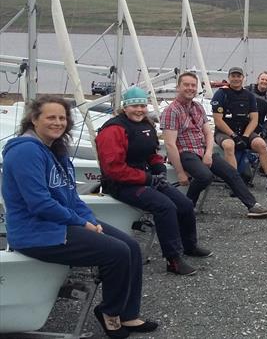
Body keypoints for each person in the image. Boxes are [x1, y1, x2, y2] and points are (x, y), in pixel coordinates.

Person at [2, 95, 158, 337]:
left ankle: (128, 315)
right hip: (37, 232)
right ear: (34, 119)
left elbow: (72, 198)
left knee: (130, 246)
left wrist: (91, 221)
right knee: (117, 252)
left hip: (60, 224)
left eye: (62, 118)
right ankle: (110, 312)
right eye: (50, 117)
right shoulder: (24, 152)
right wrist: (81, 223)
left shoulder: (56, 150)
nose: (58, 122)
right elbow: (39, 204)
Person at [96, 87, 211, 277]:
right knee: (165, 207)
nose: (139, 110)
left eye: (142, 105)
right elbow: (113, 169)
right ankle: (173, 259)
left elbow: (151, 153)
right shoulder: (114, 130)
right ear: (124, 107)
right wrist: (147, 178)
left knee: (184, 204)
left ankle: (190, 246)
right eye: (134, 106)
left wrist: (158, 167)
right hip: (121, 184)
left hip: (145, 179)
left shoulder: (146, 125)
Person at [160, 71, 267, 219]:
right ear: (178, 87)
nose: (190, 88)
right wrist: (179, 172)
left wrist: (209, 153)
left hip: (202, 150)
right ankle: (187, 207)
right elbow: (170, 144)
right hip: (184, 152)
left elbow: (208, 133)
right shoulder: (171, 111)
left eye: (193, 85)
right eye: (186, 85)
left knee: (231, 172)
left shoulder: (197, 107)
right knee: (205, 176)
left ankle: (253, 206)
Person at [211, 67, 267, 193]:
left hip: (244, 131)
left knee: (261, 144)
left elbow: (254, 119)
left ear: (243, 78)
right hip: (224, 132)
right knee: (229, 145)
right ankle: (235, 184)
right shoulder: (221, 94)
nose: (236, 79)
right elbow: (218, 120)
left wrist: (245, 136)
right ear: (229, 77)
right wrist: (234, 136)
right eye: (233, 76)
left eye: (238, 76)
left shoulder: (249, 96)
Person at [246, 71, 267, 157]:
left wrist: (264, 130)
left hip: (259, 125)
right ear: (258, 80)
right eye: (262, 79)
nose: (264, 81)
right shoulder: (246, 91)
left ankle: (263, 163)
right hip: (244, 122)